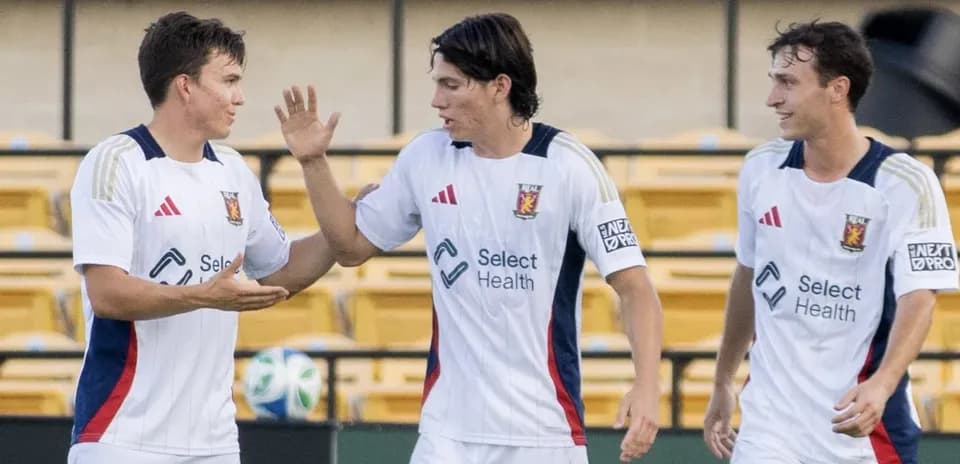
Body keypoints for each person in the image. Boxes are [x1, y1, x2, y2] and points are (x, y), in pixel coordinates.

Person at [273, 12, 662, 464]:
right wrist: (313, 163)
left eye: (452, 86)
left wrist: (647, 387)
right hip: (448, 436)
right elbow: (351, 246)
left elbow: (636, 288)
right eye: (437, 84)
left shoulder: (570, 166)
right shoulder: (426, 156)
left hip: (544, 435)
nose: (437, 100)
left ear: (500, 85)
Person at [67, 11, 340, 464]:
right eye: (229, 80)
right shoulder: (115, 162)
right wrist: (204, 295)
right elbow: (107, 294)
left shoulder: (232, 170)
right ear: (185, 86)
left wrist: (348, 225)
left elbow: (280, 271)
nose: (240, 97)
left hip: (214, 444)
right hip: (122, 435)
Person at [703, 20, 959, 464]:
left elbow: (920, 298)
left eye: (787, 83)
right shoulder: (761, 169)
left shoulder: (905, 182)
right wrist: (724, 379)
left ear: (837, 89)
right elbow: (746, 276)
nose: (772, 99)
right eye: (773, 82)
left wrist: (881, 384)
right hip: (770, 427)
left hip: (861, 428)